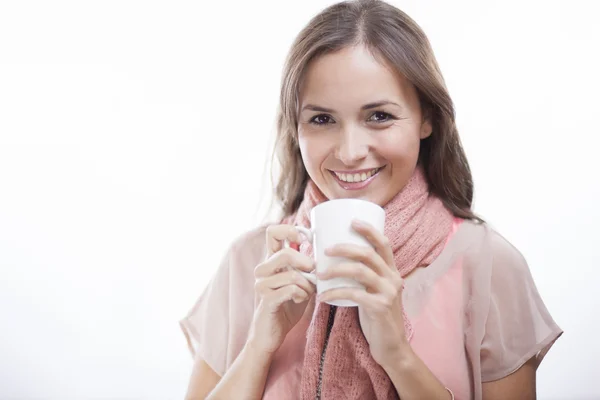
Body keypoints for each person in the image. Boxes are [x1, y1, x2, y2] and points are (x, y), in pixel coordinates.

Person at [180, 0, 563, 398]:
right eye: (322, 119)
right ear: (295, 128)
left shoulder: (488, 266)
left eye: (379, 116)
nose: (349, 152)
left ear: (427, 117)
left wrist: (396, 352)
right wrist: (260, 343)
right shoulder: (252, 263)